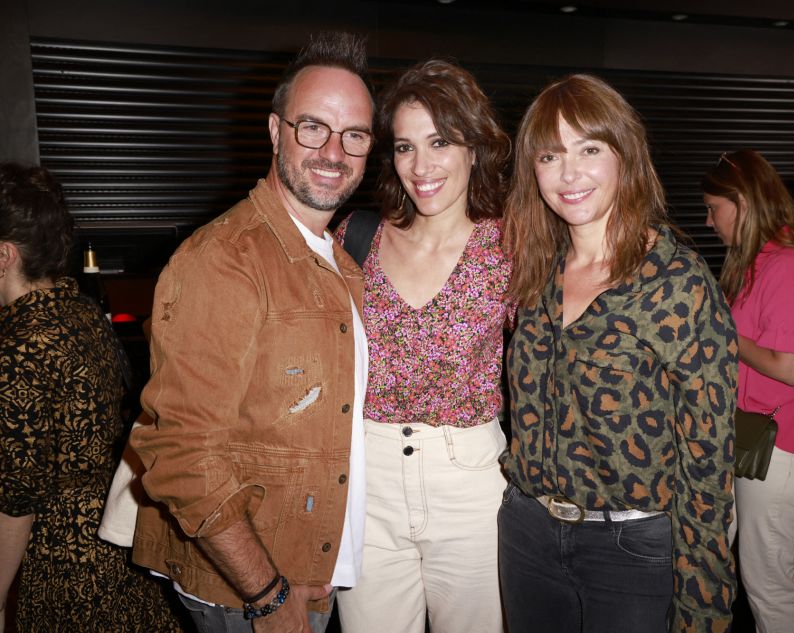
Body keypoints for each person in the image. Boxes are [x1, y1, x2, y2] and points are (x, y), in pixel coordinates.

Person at [129, 31, 373, 633]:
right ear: (274, 130)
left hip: (308, 570)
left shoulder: (338, 262)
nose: (333, 152)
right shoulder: (226, 258)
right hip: (248, 589)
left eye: (355, 136)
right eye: (312, 127)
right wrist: (267, 594)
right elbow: (181, 452)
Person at [501, 74, 738, 633]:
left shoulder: (676, 281)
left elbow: (708, 464)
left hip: (631, 548)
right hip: (527, 531)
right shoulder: (536, 270)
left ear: (624, 155)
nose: (569, 173)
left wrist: (704, 607)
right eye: (549, 155)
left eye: (589, 149)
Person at [333, 59, 511, 633]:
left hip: (471, 481)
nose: (421, 166)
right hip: (367, 477)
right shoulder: (355, 237)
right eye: (406, 147)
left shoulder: (512, 246)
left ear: (475, 148)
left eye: (440, 142)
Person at [0, 163, 181, 632]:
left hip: (64, 561)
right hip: (118, 534)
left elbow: (17, 500)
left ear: (4, 255)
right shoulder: (78, 309)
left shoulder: (20, 347)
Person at [702, 149, 794, 633]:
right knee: (743, 567)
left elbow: (789, 367)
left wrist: (725, 336)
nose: (710, 220)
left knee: (768, 581)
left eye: (714, 208)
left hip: (786, 448)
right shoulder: (761, 262)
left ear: (741, 202)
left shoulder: (787, 265)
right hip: (763, 441)